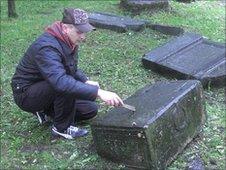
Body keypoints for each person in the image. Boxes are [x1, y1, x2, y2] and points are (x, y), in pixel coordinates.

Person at [11, 8, 124, 139]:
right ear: (65, 28)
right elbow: (61, 83)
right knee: (65, 84)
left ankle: (44, 111)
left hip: (47, 85)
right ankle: (61, 129)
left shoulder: (68, 40)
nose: (83, 37)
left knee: (90, 110)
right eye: (79, 32)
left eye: (85, 32)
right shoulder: (47, 48)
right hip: (26, 94)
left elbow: (69, 67)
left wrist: (85, 80)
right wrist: (99, 92)